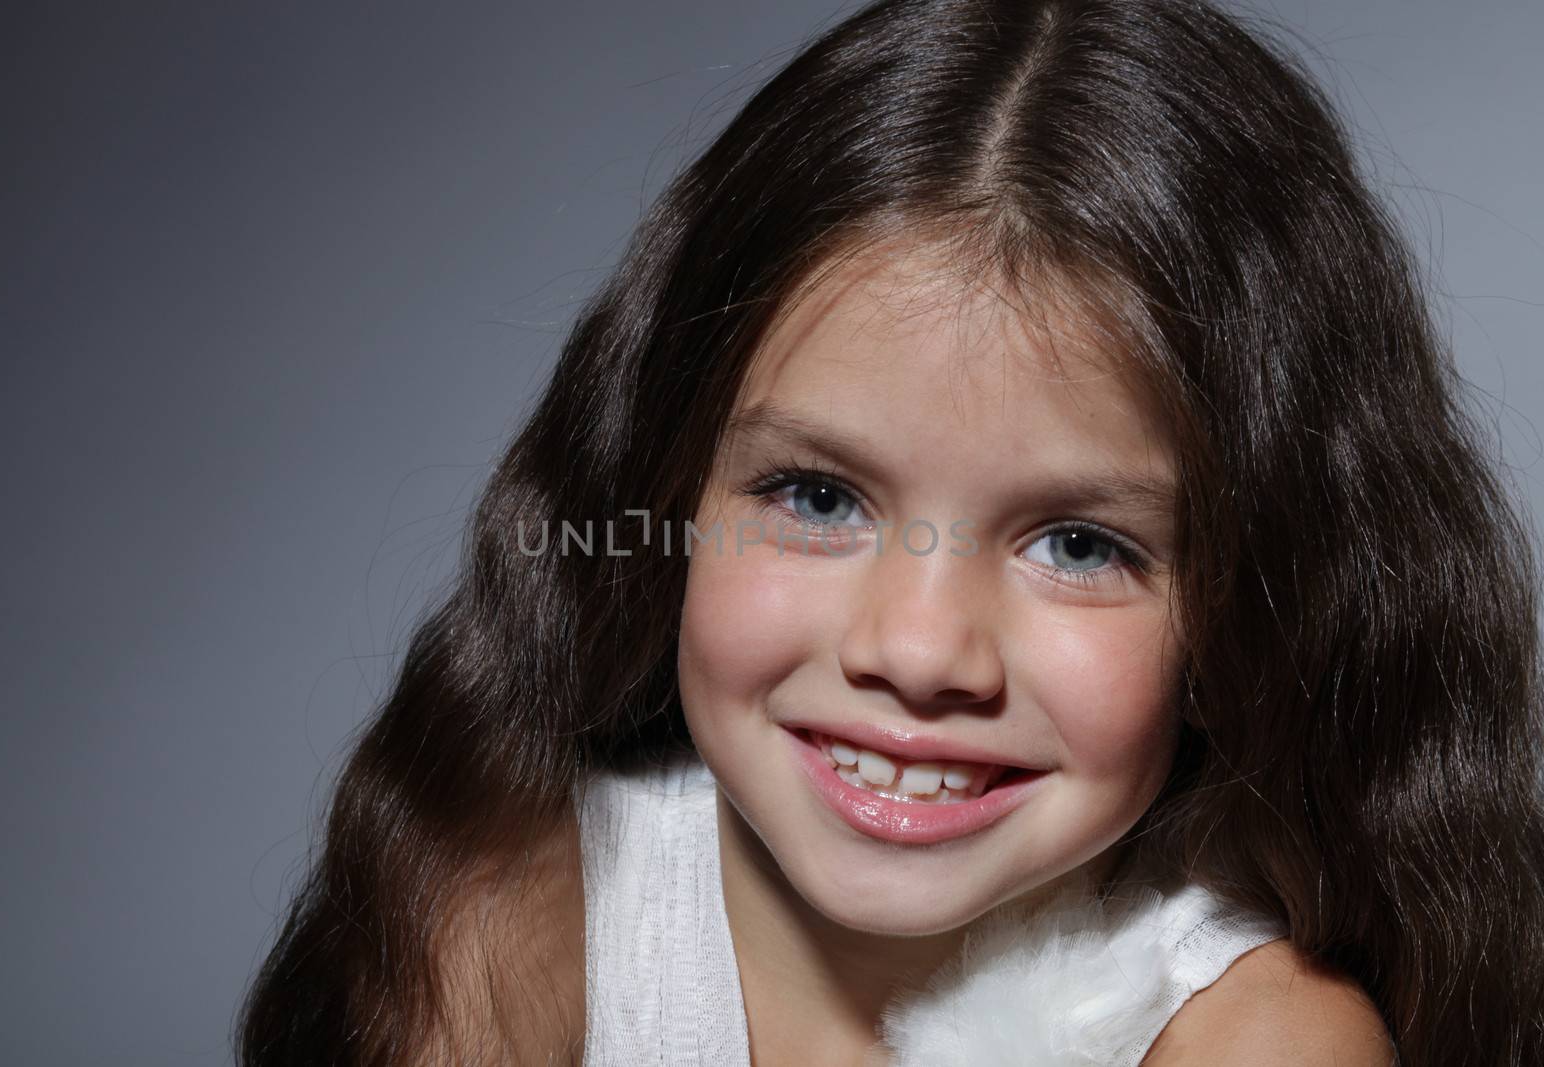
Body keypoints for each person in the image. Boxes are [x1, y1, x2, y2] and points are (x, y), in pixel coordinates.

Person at [235, 1, 1544, 1064]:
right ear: (669, 494)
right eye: (815, 498)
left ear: (1251, 602)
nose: (920, 651)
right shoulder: (511, 918)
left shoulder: (1259, 1041)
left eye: (1081, 544)